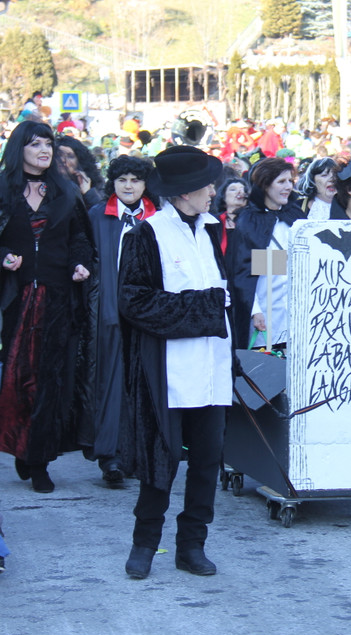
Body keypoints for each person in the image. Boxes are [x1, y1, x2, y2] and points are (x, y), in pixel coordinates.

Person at [117, 146, 234, 579]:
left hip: (212, 368)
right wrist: (204, 308)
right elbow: (133, 302)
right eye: (207, 186)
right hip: (167, 371)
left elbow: (226, 295)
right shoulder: (146, 234)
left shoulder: (212, 230)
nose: (213, 192)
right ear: (185, 192)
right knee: (159, 462)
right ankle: (145, 543)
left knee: (206, 462)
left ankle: (192, 545)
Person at [0, 120, 93, 494]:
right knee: (14, 379)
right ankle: (20, 445)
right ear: (20, 149)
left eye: (48, 144)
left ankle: (39, 458)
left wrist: (80, 263)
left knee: (50, 379)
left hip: (57, 298)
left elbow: (80, 237)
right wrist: (3, 257)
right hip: (15, 298)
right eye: (35, 144)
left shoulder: (65, 189)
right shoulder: (0, 188)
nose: (44, 151)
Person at [84, 155, 157, 488]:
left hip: (148, 315)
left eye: (135, 180)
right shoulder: (97, 216)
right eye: (122, 180)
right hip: (109, 313)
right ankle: (111, 456)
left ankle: (142, 455)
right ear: (112, 183)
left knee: (146, 386)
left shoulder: (158, 217)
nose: (129, 186)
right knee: (110, 385)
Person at [232, 157, 304, 349]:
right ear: (265, 185)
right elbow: (244, 274)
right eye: (281, 181)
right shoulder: (249, 221)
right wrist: (255, 311)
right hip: (266, 317)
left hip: (298, 316)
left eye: (290, 181)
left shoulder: (296, 217)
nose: (288, 187)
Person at [213, 176, 250, 254]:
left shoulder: (255, 220)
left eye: (242, 189)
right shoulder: (213, 222)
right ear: (223, 197)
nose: (239, 191)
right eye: (233, 189)